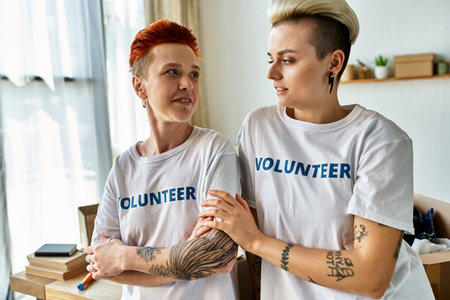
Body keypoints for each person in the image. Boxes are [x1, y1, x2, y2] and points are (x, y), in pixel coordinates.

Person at [199, 0, 435, 299]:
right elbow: (256, 245)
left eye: (287, 60)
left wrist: (256, 241)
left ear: (333, 62)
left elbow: (371, 278)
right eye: (270, 58)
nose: (271, 73)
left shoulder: (381, 141)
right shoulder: (258, 128)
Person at [85, 19, 240, 300]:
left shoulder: (215, 150)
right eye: (172, 72)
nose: (187, 85)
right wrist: (185, 257)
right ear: (139, 86)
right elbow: (101, 262)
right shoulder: (123, 167)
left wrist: (124, 256)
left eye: (194, 75)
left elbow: (217, 256)